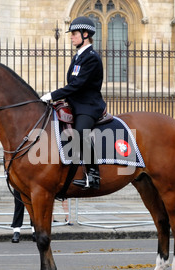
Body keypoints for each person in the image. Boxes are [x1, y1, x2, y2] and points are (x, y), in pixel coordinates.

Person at [40, 16, 106, 190]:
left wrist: (52, 95)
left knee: (80, 134)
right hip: (74, 104)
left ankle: (93, 175)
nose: (71, 37)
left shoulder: (91, 57)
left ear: (85, 34)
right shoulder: (78, 56)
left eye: (74, 34)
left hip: (88, 106)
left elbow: (76, 85)